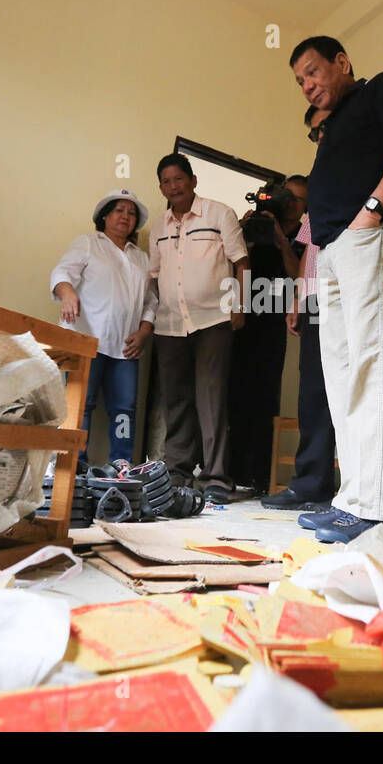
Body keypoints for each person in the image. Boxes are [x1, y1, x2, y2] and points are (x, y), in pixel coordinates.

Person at [286, 36, 383, 543]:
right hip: (332, 252)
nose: (307, 86)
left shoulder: (381, 90)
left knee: (377, 363)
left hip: (372, 236)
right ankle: (354, 500)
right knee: (342, 376)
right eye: (300, 81)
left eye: (312, 72)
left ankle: (381, 508)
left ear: (341, 63)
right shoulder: (332, 128)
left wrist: (371, 211)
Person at [149, 154, 250, 506]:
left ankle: (216, 476)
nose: (174, 186)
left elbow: (242, 262)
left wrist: (239, 305)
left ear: (193, 181)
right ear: (161, 187)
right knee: (175, 399)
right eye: (166, 181)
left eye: (179, 179)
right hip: (169, 324)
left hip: (212, 320)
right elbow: (154, 276)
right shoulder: (158, 227)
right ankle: (176, 471)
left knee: (211, 398)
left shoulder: (219, 213)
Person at [261, 108, 336, 512]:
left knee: (346, 392)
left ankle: (352, 489)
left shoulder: (355, 172)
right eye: (314, 135)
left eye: (323, 130)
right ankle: (311, 485)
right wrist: (297, 300)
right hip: (314, 303)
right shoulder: (321, 188)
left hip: (347, 297)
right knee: (311, 394)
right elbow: (309, 249)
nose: (320, 139)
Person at [49, 189, 156, 466]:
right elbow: (62, 273)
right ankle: (73, 465)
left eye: (131, 213)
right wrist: (68, 293)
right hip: (86, 341)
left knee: (124, 411)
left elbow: (151, 301)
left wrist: (144, 332)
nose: (125, 217)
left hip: (126, 348)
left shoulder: (141, 258)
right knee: (80, 406)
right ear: (105, 216)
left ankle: (121, 465)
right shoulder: (88, 243)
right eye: (119, 210)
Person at [228, 176, 307, 496]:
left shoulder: (307, 233)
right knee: (234, 396)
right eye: (287, 195)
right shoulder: (256, 223)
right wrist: (238, 229)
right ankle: (230, 472)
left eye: (298, 199)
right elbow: (231, 261)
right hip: (241, 318)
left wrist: (279, 237)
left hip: (274, 322)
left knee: (265, 399)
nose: (290, 202)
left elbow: (297, 272)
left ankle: (261, 476)